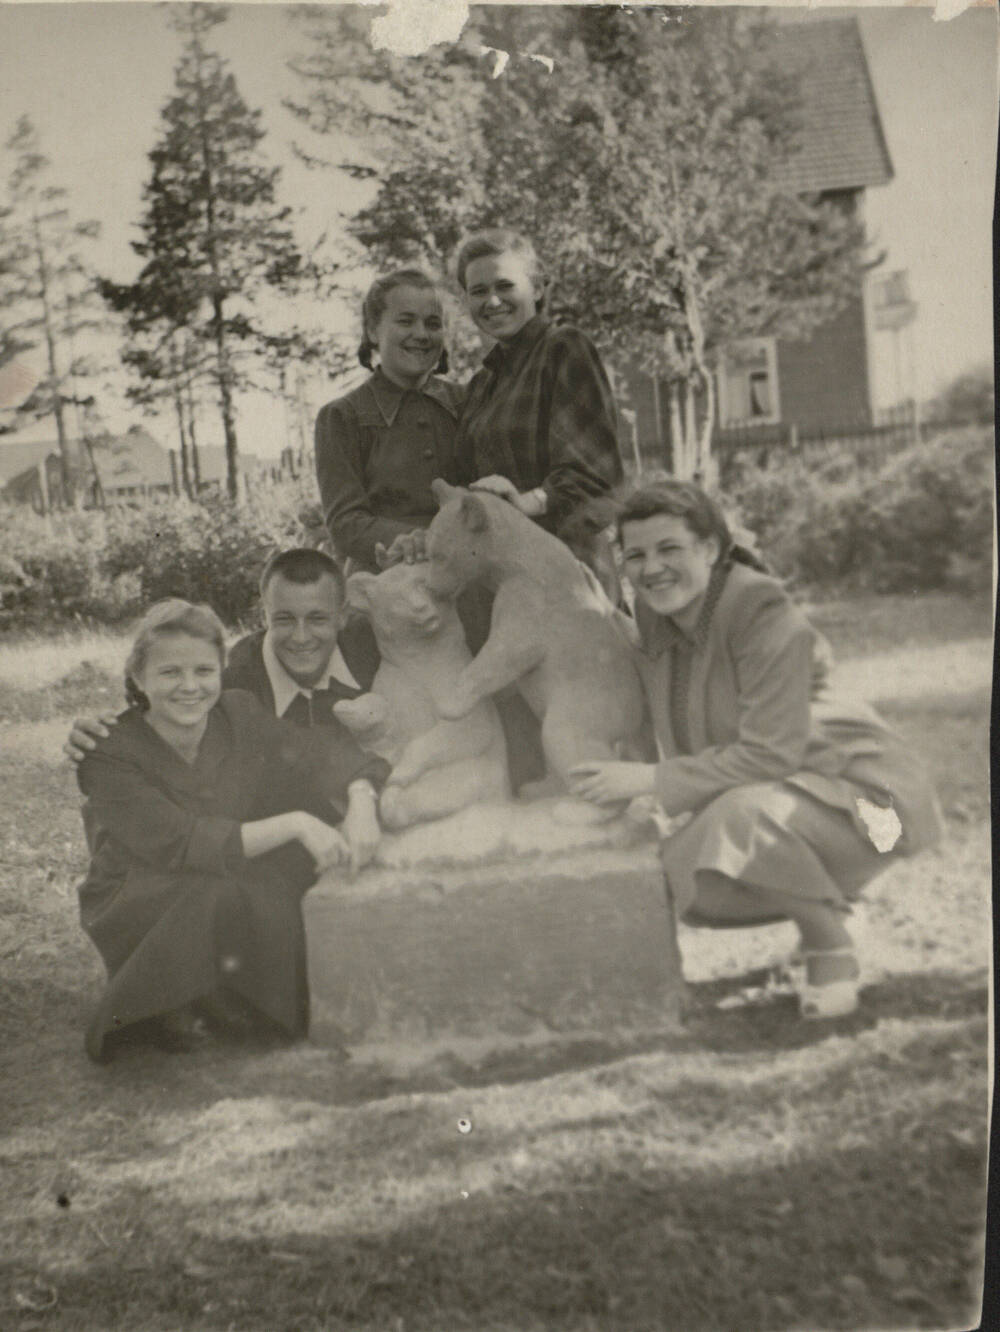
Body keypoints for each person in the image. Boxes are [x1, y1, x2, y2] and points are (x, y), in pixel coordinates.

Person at [569, 480, 942, 1020]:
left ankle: (830, 943)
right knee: (680, 876)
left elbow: (770, 756)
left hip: (876, 809)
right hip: (802, 801)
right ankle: (833, 901)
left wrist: (647, 779)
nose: (651, 568)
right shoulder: (659, 613)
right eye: (637, 555)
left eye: (669, 549)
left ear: (712, 549)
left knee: (736, 822)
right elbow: (658, 684)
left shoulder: (760, 609)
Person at [75, 599, 390, 1063]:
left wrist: (362, 795)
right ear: (138, 678)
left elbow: (318, 752)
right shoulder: (108, 752)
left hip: (226, 870)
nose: (189, 687)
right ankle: (169, 1001)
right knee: (215, 891)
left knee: (280, 877)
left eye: (204, 671)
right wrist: (298, 824)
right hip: (143, 889)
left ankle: (231, 996)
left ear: (221, 672)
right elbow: (181, 841)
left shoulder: (238, 713)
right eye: (169, 673)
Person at [452, 227, 624, 547]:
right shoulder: (480, 385)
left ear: (537, 288)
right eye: (478, 291)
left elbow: (591, 476)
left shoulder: (563, 348)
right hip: (505, 566)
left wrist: (526, 501)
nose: (492, 301)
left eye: (505, 285)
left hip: (567, 558)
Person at [314, 268, 464, 573]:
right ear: (372, 331)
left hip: (466, 569)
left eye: (433, 324)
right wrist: (411, 539)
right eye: (405, 321)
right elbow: (345, 524)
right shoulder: (343, 417)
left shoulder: (468, 403)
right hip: (386, 576)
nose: (421, 334)